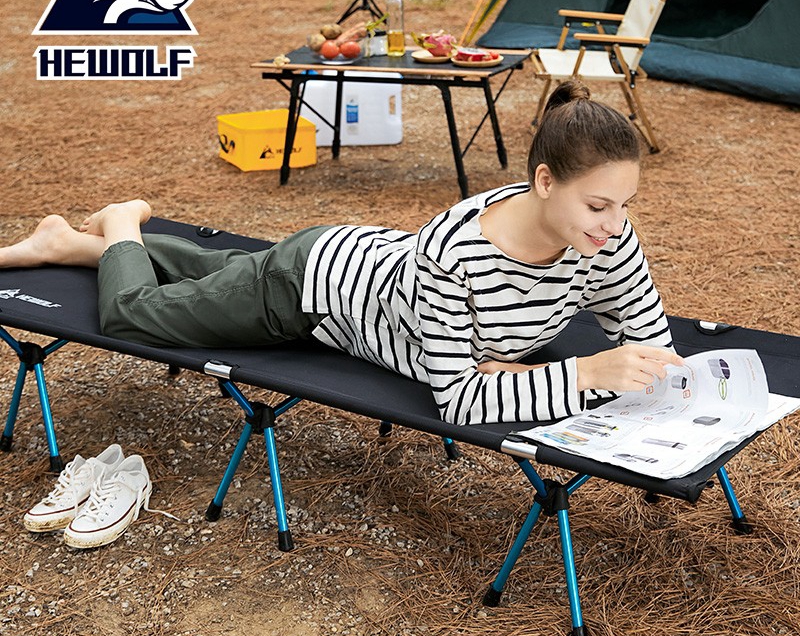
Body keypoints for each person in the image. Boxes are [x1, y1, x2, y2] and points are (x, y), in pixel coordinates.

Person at [0, 81, 681, 426]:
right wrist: (584, 371)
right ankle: (122, 222)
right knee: (134, 311)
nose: (615, 226)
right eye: (599, 206)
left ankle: (66, 243)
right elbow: (459, 400)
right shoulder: (457, 251)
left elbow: (652, 341)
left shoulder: (608, 239)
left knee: (216, 274)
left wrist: (657, 380)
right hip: (309, 291)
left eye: (626, 204)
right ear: (545, 181)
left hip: (370, 270)